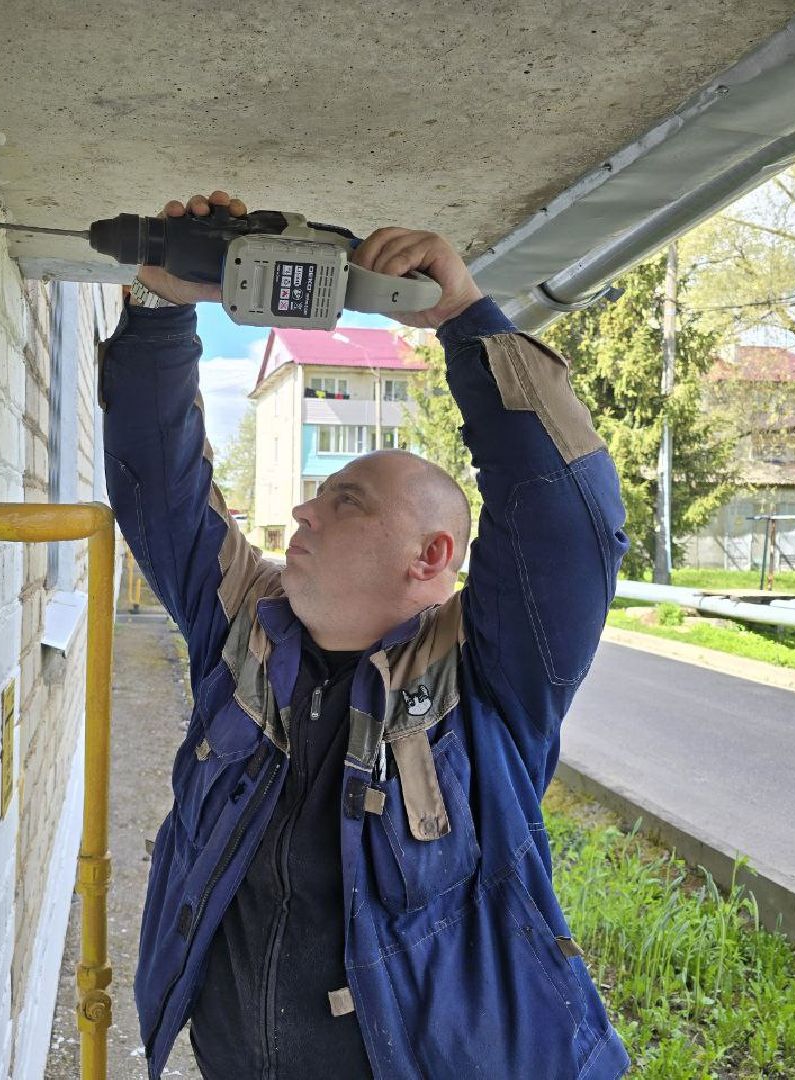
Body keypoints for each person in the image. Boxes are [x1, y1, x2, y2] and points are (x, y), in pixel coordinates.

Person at [102, 190, 631, 1079]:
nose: (306, 508)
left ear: (431, 556)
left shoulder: (491, 679)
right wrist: (160, 304)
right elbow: (158, 489)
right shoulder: (245, 632)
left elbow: (567, 522)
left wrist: (465, 318)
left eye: (345, 501)